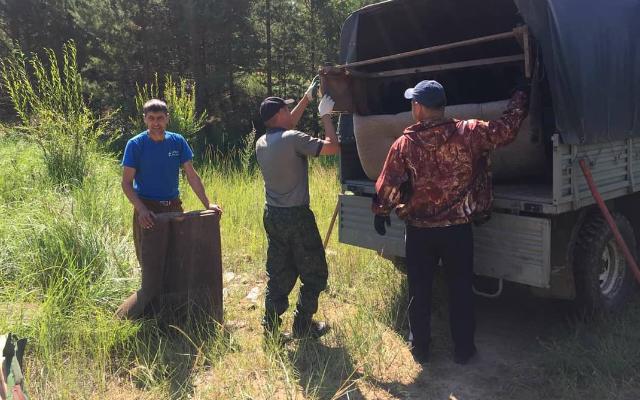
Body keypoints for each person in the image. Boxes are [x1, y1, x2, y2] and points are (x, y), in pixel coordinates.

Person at [372, 80, 529, 364]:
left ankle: (420, 348)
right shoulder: (470, 132)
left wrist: (381, 212)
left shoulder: (405, 144)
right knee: (460, 289)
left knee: (419, 291)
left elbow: (389, 185)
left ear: (418, 108)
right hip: (458, 231)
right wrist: (519, 97)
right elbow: (506, 131)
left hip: (419, 232)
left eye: (413, 103)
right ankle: (464, 350)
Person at [116, 98, 222, 319]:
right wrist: (142, 210)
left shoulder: (177, 142)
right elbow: (126, 183)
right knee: (151, 266)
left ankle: (173, 313)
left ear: (167, 119)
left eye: (160, 118)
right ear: (145, 119)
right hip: (148, 210)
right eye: (152, 118)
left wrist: (207, 203)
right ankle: (133, 316)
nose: (156, 123)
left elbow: (191, 176)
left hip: (173, 207)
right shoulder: (135, 144)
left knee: (177, 261)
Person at [255, 78, 339, 341]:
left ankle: (270, 329)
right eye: (286, 109)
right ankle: (303, 326)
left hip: (273, 215)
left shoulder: (262, 142)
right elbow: (333, 147)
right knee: (314, 274)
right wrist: (325, 117)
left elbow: (288, 125)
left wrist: (306, 98)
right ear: (279, 114)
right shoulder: (293, 139)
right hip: (297, 217)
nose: (290, 113)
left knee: (279, 272)